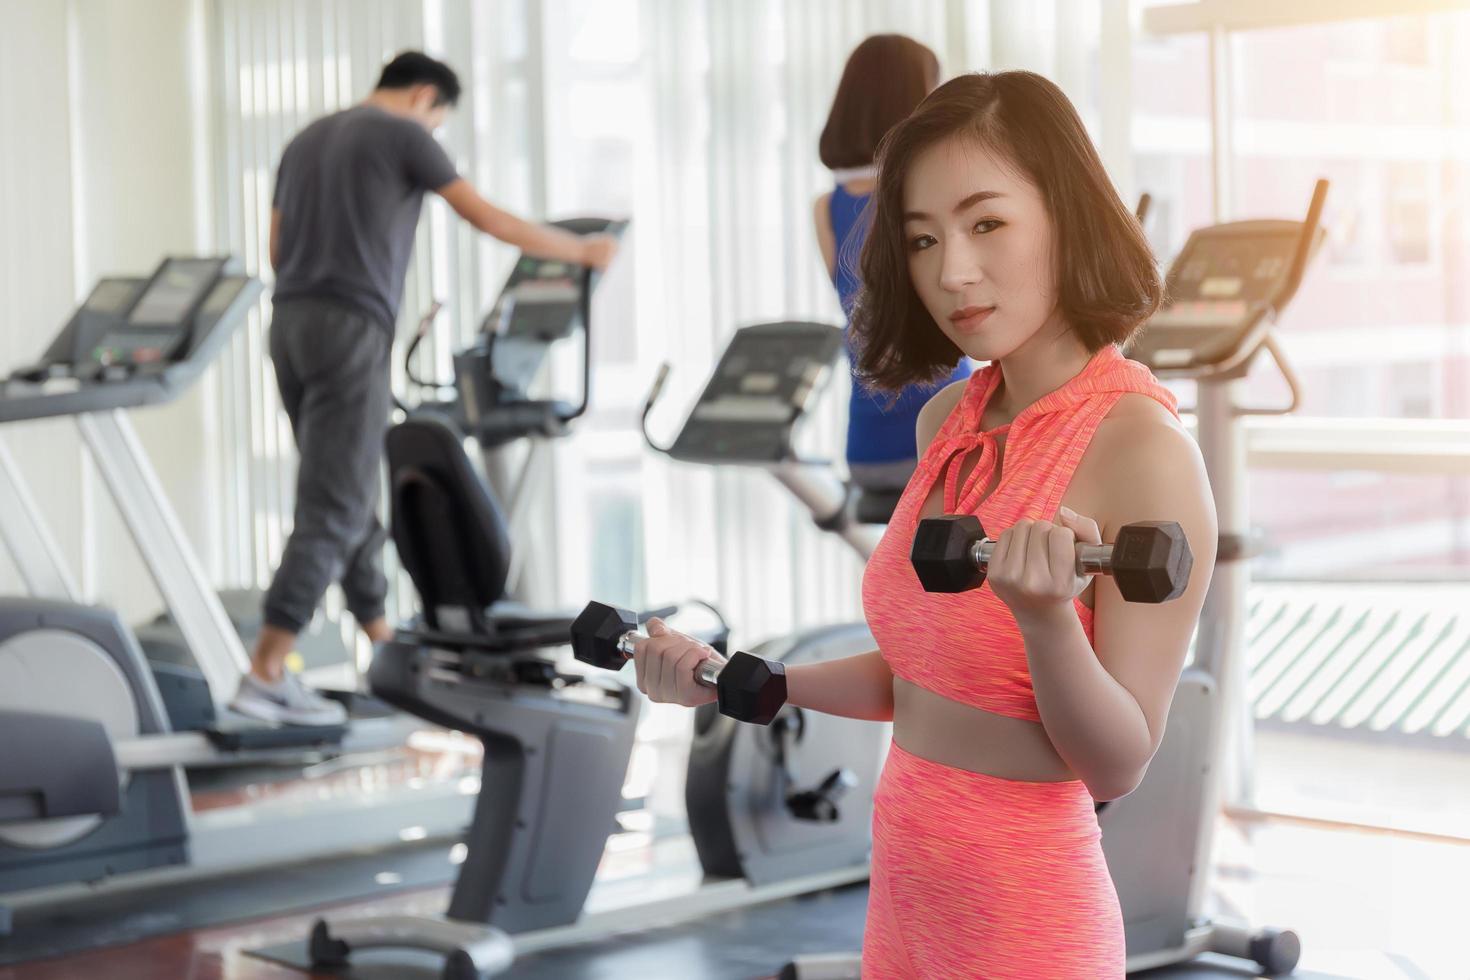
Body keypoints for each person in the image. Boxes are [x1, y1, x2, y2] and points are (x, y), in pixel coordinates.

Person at [633, 71, 1217, 977]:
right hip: (905, 895)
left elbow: (1115, 765)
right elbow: (924, 676)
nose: (952, 271)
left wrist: (1048, 619)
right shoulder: (946, 421)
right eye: (922, 239)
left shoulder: (1142, 448)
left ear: (1065, 215)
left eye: (987, 223)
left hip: (1026, 920)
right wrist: (743, 682)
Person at [231, 51, 618, 726]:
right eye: (439, 120)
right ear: (425, 98)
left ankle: (384, 645)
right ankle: (265, 671)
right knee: (333, 505)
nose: (434, 132)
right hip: (352, 328)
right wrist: (581, 253)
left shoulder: (306, 139)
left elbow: (276, 244)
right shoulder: (403, 134)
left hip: (290, 324)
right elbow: (486, 218)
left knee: (346, 491)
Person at [813, 34, 971, 496]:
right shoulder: (920, 195)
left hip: (867, 450)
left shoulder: (825, 208)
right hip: (941, 438)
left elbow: (858, 304)